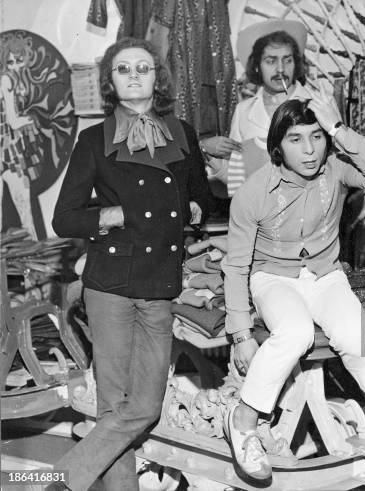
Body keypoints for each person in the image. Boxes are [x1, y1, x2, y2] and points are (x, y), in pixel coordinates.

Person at [50, 37, 210, 491]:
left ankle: (61, 480)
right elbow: (65, 218)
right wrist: (112, 214)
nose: (135, 75)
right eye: (124, 69)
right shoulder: (94, 139)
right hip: (110, 283)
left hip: (159, 282)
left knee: (144, 407)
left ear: (158, 78)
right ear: (111, 81)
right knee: (112, 407)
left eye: (144, 67)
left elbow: (201, 196)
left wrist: (196, 208)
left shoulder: (182, 133)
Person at [222, 93, 365, 485]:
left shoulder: (335, 168)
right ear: (277, 146)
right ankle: (244, 421)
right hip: (272, 277)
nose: (309, 149)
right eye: (296, 139)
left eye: (317, 136)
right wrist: (241, 335)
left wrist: (339, 129)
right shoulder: (254, 192)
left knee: (356, 332)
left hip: (325, 274)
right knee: (295, 332)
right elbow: (235, 266)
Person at [206, 19, 312, 197]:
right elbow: (236, 176)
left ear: (297, 63)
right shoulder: (243, 111)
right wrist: (207, 153)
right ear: (257, 66)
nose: (280, 69)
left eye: (287, 60)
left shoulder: (317, 104)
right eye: (271, 61)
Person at [0, 33, 44, 239]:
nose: (15, 65)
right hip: (7, 149)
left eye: (18, 61)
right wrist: (30, 119)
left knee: (22, 207)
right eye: (10, 61)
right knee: (24, 209)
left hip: (8, 146)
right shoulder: (7, 79)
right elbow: (13, 121)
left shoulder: (11, 78)